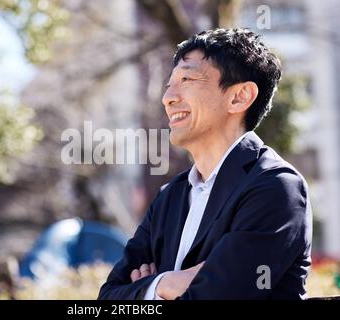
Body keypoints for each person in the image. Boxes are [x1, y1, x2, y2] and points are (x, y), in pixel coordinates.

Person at [98, 28, 312, 300]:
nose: (168, 98)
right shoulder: (169, 197)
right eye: (168, 85)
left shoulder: (275, 187)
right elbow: (108, 298)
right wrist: (163, 285)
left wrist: (142, 292)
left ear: (239, 97)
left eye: (187, 78)